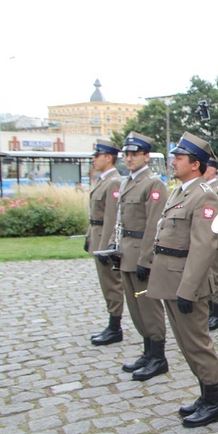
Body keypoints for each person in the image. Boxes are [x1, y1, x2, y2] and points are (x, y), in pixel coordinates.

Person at [147, 132, 218, 428]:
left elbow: (204, 248)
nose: (172, 162)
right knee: (185, 343)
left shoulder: (204, 195)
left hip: (186, 286)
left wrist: (188, 290)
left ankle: (214, 402)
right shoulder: (180, 192)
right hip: (170, 282)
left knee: (197, 344)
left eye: (178, 158)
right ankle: (204, 395)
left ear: (195, 164)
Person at [116, 132, 169, 381]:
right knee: (135, 307)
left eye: (134, 154)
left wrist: (146, 259)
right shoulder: (127, 182)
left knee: (148, 307)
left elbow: (153, 224)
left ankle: (158, 356)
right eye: (126, 154)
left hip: (141, 253)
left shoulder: (153, 184)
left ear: (146, 156)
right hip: (127, 251)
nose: (129, 158)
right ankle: (148, 351)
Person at [86, 139, 124, 346]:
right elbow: (94, 214)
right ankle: (112, 323)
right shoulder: (102, 180)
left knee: (111, 284)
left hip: (104, 239)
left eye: (97, 155)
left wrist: (106, 246)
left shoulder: (113, 182)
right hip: (96, 235)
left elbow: (111, 217)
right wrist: (88, 236)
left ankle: (115, 325)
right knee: (105, 282)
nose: (94, 159)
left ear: (108, 157)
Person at [204, 155, 218, 331]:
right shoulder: (205, 188)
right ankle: (209, 309)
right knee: (206, 275)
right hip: (204, 239)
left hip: (213, 239)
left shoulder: (217, 190)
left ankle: (216, 313)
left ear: (212, 170)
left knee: (213, 276)